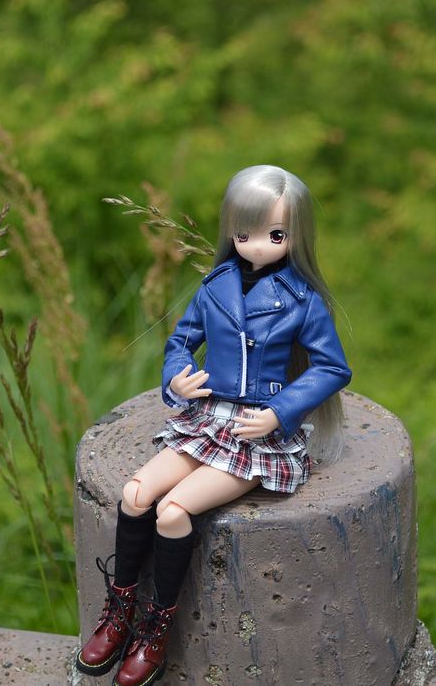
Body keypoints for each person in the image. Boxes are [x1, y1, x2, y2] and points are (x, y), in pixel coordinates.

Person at [76, 165, 352, 685]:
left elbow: (332, 368)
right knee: (135, 493)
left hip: (255, 433)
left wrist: (280, 411)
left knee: (173, 510)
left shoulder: (302, 301)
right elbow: (181, 341)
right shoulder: (215, 287)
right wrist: (177, 379)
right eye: (244, 233)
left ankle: (157, 630)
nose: (257, 245)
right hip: (207, 418)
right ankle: (120, 611)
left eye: (275, 235)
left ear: (296, 235)